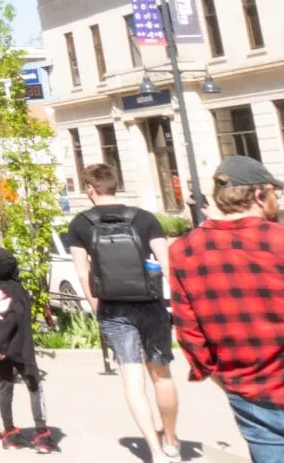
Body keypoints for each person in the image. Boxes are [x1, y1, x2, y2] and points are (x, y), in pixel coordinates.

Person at [170, 156, 284, 461]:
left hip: (251, 400)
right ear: (259, 195)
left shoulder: (184, 250)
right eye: (275, 193)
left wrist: (234, 385)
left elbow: (191, 337)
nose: (276, 201)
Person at [68, 161, 180, 462]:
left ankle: (155, 451)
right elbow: (167, 264)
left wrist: (94, 302)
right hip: (150, 302)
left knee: (132, 380)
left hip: (114, 307)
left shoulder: (81, 223)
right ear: (115, 184)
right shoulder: (145, 219)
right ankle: (170, 440)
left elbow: (81, 271)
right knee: (162, 375)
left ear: (90, 189)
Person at [0, 247, 49, 452]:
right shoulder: (16, 289)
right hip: (20, 346)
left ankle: (10, 433)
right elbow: (18, 316)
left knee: (5, 386)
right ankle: (42, 434)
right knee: (34, 384)